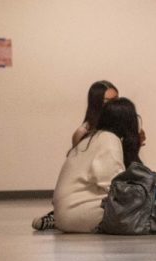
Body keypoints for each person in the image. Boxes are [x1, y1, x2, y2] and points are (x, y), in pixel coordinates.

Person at [33, 80, 120, 231]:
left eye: (116, 101)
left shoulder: (116, 130)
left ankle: (56, 217)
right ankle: (55, 217)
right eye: (108, 102)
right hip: (90, 191)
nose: (114, 107)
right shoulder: (84, 132)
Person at [52, 97, 141, 233]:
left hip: (65, 213)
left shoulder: (93, 138)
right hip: (76, 214)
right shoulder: (109, 140)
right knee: (146, 208)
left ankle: (50, 219)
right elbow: (115, 185)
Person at [72, 80, 118, 147]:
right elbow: (78, 156)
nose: (114, 105)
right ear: (96, 103)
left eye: (116, 99)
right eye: (108, 101)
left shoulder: (122, 124)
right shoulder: (82, 132)